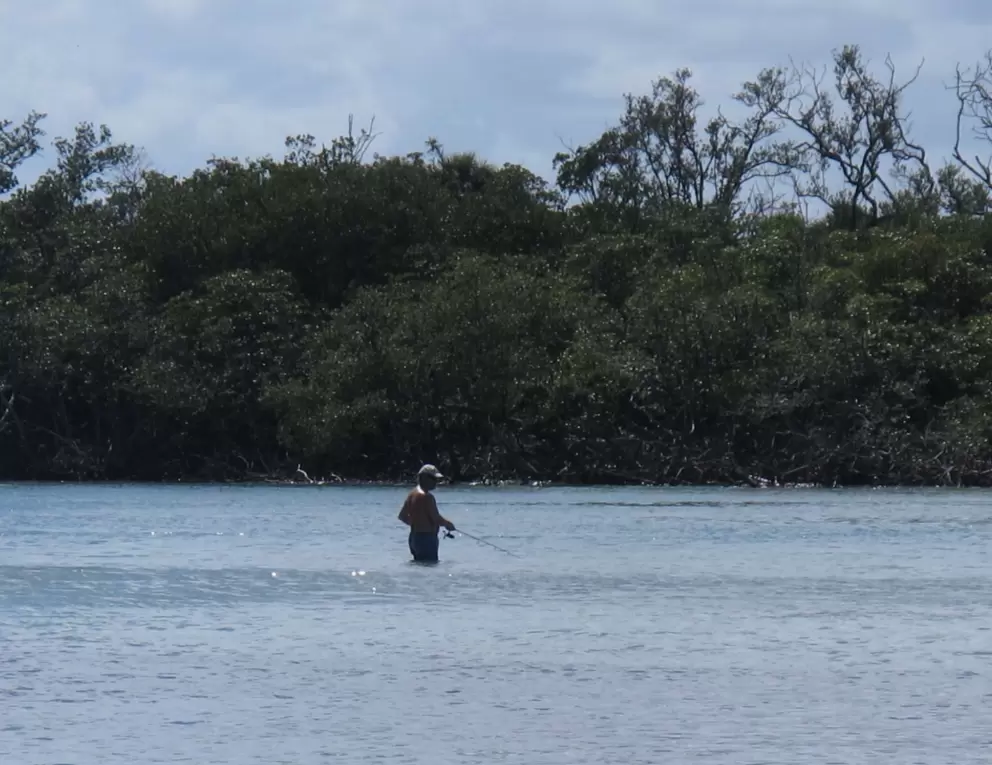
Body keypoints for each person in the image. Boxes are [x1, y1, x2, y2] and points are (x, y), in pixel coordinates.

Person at [398, 464, 455, 562]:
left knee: (419, 567)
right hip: (427, 539)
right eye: (433, 479)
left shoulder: (412, 494)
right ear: (423, 478)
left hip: (414, 538)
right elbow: (436, 518)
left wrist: (416, 524)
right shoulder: (428, 497)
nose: (436, 482)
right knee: (431, 569)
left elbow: (402, 516)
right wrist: (448, 524)